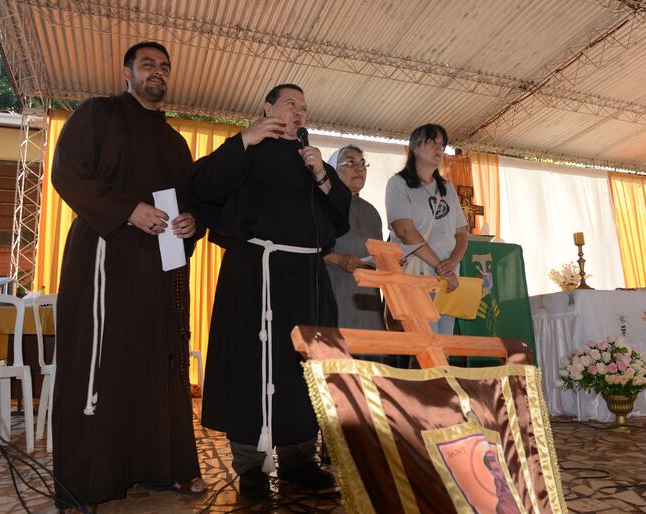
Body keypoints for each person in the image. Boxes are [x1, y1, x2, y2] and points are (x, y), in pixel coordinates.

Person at [51, 41, 206, 510]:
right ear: (126, 72)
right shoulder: (97, 114)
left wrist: (190, 222)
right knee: (103, 362)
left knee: (158, 363)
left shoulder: (176, 142)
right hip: (106, 258)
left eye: (163, 67)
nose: (157, 73)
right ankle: (92, 477)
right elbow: (68, 174)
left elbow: (188, 201)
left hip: (160, 267)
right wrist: (128, 210)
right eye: (147, 65)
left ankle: (161, 467)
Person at [189, 84, 350, 499]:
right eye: (290, 104)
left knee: (303, 370)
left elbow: (340, 217)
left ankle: (299, 460)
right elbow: (203, 184)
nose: (299, 112)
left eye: (304, 107)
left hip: (306, 280)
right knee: (251, 367)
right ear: (267, 108)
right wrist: (244, 140)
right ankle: (250, 466)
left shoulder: (310, 159)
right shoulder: (247, 146)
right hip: (254, 275)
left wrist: (321, 175)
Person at [385, 124, 468, 335]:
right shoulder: (398, 184)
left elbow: (461, 232)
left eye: (442, 144)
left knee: (444, 346)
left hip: (447, 279)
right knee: (425, 345)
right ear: (414, 148)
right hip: (417, 276)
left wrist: (452, 264)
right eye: (432, 142)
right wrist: (441, 265)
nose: (439, 148)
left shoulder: (447, 188)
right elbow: (404, 230)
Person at [324, 145, 384, 330]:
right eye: (351, 162)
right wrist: (338, 259)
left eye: (363, 164)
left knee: (370, 352)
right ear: (333, 170)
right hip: (335, 291)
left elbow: (377, 253)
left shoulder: (372, 212)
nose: (360, 168)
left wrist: (390, 262)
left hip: (368, 298)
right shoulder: (322, 204)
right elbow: (306, 249)